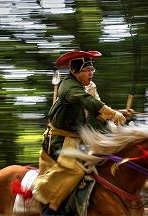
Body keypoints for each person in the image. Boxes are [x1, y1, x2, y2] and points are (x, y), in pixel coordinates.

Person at [32, 50, 127, 212]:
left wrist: (113, 116)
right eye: (87, 70)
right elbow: (87, 101)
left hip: (77, 143)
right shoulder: (69, 86)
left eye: (92, 70)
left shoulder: (85, 88)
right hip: (59, 143)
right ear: (75, 71)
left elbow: (95, 113)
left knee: (100, 157)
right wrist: (111, 113)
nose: (91, 73)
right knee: (75, 171)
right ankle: (51, 209)